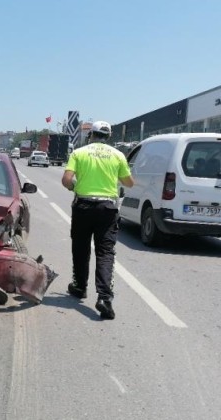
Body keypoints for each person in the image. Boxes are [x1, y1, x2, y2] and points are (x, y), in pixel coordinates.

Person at [61, 121, 134, 320]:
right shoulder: (118, 155)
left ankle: (79, 286)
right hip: (107, 209)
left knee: (81, 247)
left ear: (91, 135)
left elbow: (67, 180)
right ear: (108, 136)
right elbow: (129, 182)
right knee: (105, 251)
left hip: (83, 206)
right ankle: (104, 298)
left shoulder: (79, 153)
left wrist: (75, 187)